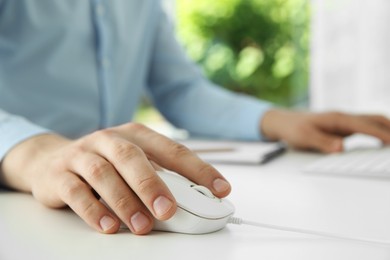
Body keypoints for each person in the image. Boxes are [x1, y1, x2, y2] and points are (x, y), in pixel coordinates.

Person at [1, 1, 390, 236]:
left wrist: (274, 118)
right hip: (20, 201)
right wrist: (31, 152)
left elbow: (180, 89)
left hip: (123, 191)